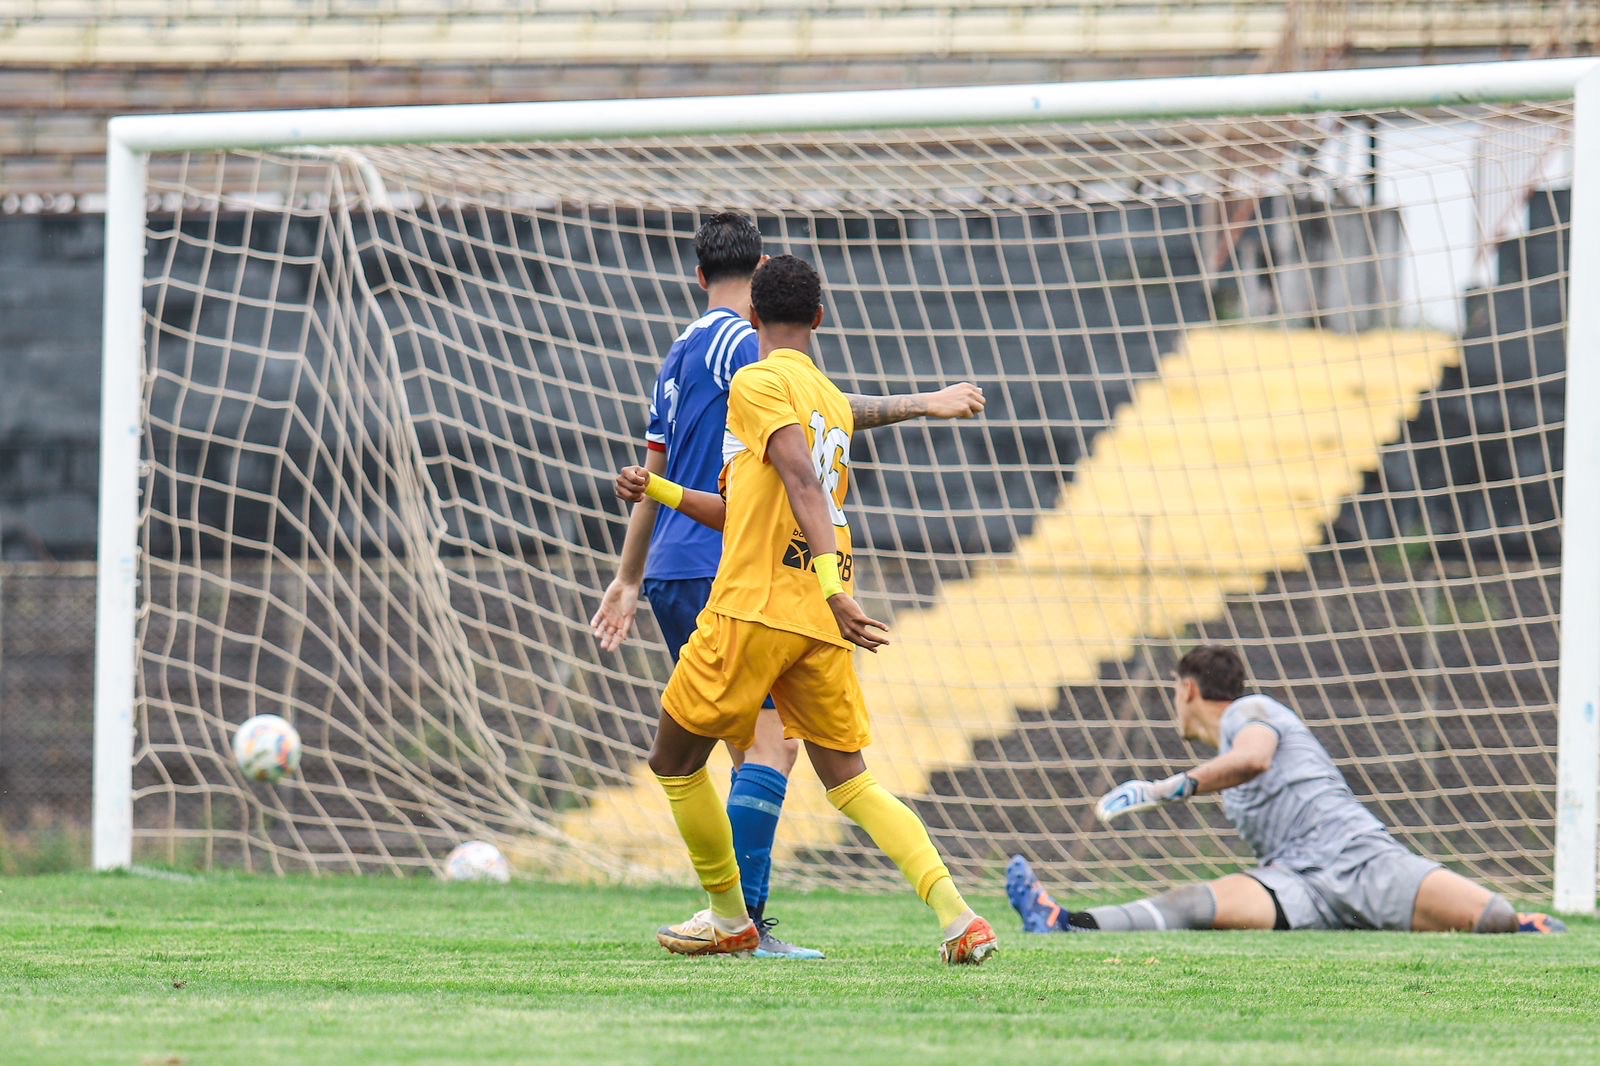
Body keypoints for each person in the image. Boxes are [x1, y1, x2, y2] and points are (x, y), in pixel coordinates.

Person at [591, 212, 984, 958]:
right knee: (850, 781)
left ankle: (733, 919)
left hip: (754, 602)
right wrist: (665, 492)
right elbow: (761, 494)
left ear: (736, 303)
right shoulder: (828, 401)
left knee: (676, 763)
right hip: (814, 618)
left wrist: (837, 584)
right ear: (821, 316)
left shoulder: (747, 374)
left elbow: (798, 480)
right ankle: (960, 916)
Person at [1007, 645, 1567, 936]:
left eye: (1175, 691)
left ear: (1189, 690)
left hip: (1360, 857)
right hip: (1297, 880)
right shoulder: (1225, 750)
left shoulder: (1252, 712)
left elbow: (1254, 759)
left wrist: (1162, 790)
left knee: (1496, 920)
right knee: (1190, 903)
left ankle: (1533, 926)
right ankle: (1066, 923)